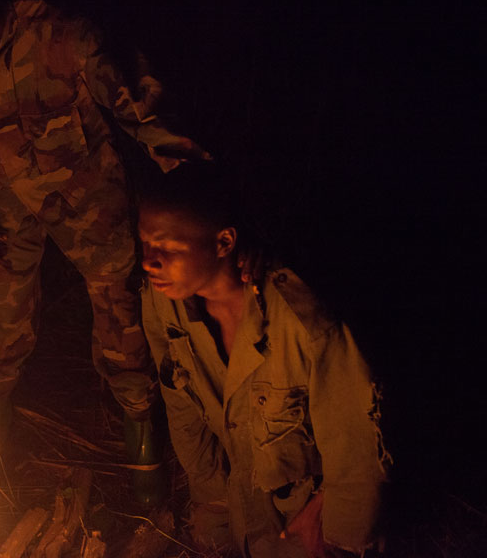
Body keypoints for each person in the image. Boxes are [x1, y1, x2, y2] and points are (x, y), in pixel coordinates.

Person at [0, 0, 208, 501]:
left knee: (120, 317)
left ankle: (145, 463)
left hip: (90, 195)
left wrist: (197, 179)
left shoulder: (60, 37)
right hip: (3, 203)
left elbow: (142, 110)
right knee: (4, 315)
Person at [138, 163, 391, 556]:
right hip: (235, 499)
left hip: (302, 510)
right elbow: (180, 401)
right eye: (146, 246)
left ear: (224, 242)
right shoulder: (164, 303)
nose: (150, 262)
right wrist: (209, 496)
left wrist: (338, 530)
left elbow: (355, 443)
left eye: (169, 249)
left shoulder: (303, 322)